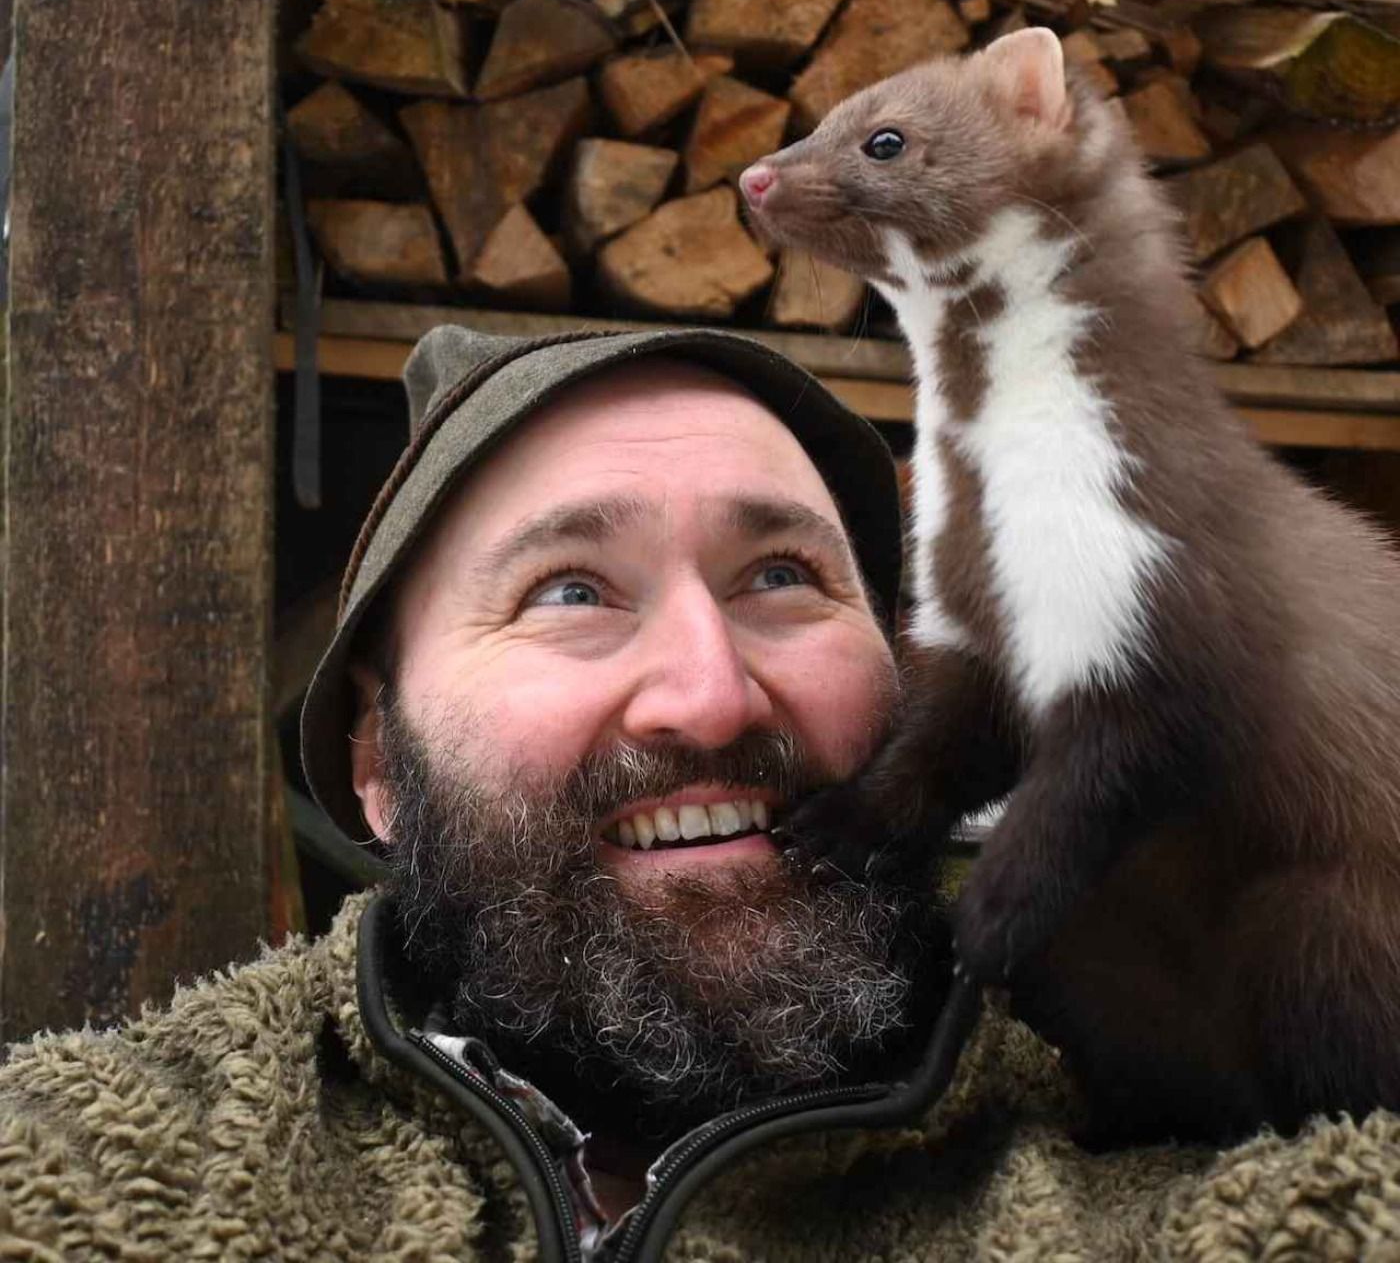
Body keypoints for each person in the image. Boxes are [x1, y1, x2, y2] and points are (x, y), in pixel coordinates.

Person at [2, 324, 1398, 1260]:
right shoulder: (118, 1168)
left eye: (782, 577)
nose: (712, 693)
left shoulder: (1187, 1130)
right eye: (569, 591)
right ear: (378, 761)